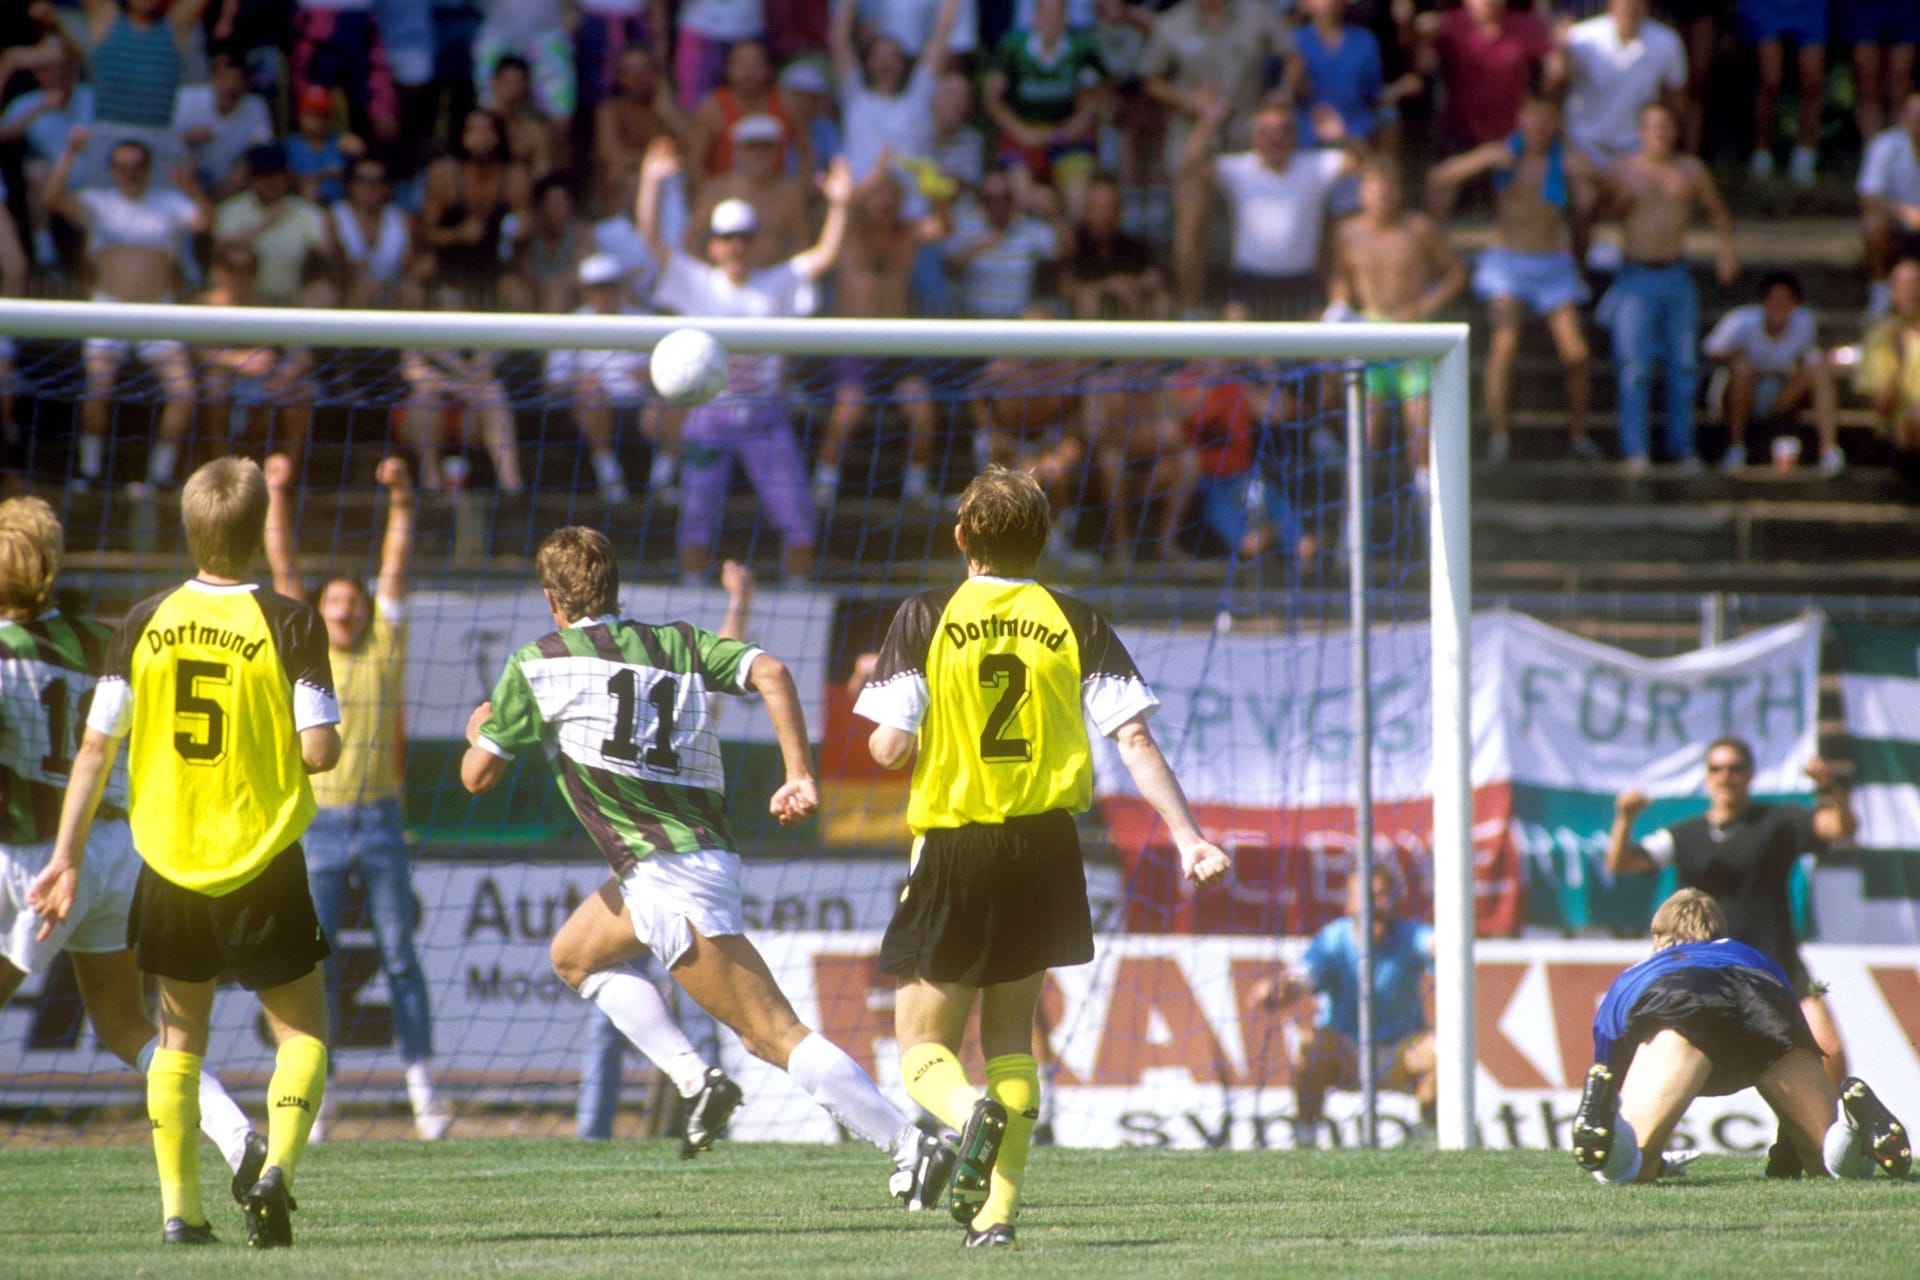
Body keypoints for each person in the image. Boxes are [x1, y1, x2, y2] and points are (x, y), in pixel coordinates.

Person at [459, 527, 955, 1201]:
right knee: (575, 953)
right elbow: (772, 672)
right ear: (614, 587)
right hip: (685, 860)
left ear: (552, 598)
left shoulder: (538, 662)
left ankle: (910, 1144)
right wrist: (798, 773)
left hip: (670, 878)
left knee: (771, 1035)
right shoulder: (676, 643)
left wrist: (477, 728)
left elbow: (476, 776)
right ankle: (698, 1081)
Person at [854, 466, 1231, 1247]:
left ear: (961, 538)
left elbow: (888, 749)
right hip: (1047, 848)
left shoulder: (926, 615)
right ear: (1044, 539)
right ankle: (995, 1221)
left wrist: (894, 703)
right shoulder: (1075, 618)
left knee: (921, 1046)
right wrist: (1190, 837)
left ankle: (967, 1117)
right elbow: (1134, 740)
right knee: (1011, 1042)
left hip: (957, 842)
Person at [31, 457, 342, 1249]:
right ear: (255, 527)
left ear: (190, 528)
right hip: (261, 857)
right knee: (303, 1035)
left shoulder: (141, 622)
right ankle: (276, 1174)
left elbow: (96, 748)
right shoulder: (292, 622)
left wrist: (64, 854)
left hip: (167, 862)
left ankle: (181, 1213)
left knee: (176, 1040)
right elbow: (318, 753)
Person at [0, 497, 266, 1228]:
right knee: (126, 1026)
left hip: (37, 860)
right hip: (119, 853)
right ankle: (234, 1129)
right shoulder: (106, 637)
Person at [262, 454, 450, 1143]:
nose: (343, 608)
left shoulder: (383, 649)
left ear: (365, 610)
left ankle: (423, 1090)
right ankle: (320, 1094)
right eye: (333, 600)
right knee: (319, 964)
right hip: (317, 827)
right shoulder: (302, 649)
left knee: (400, 955)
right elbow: (282, 567)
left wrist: (401, 499)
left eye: (353, 601)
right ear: (319, 609)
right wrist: (278, 493)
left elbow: (395, 567)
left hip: (380, 824)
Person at [576, 559, 749, 1142]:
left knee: (704, 1010)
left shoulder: (666, 707)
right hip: (649, 873)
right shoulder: (626, 706)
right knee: (601, 986)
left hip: (667, 872)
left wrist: (739, 606)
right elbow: (721, 667)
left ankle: (684, 1116)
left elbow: (716, 669)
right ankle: (596, 1135)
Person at [1572, 888, 1911, 1185]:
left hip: (1681, 997)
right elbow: (1790, 1030)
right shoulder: (1755, 957)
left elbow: (1609, 1069)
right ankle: (1852, 1124)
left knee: (1629, 1169)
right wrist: (1788, 1151)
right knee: (1830, 1163)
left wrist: (1624, 1124)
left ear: (1658, 937)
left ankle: (1614, 1131)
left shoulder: (1636, 973)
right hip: (1761, 993)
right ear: (1717, 931)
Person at [637, 137, 851, 583]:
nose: (735, 246)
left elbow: (824, 257)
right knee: (696, 515)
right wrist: (650, 182)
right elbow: (651, 239)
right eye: (727, 238)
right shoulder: (696, 281)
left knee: (798, 517)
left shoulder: (776, 282)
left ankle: (798, 592)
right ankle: (691, 590)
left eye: (743, 238)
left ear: (756, 243)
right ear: (713, 244)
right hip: (708, 417)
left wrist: (840, 205)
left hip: (765, 417)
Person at [1606, 735, 1856, 1097]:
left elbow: (1842, 828)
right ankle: (1640, 1143)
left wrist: (1830, 788)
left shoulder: (1779, 821)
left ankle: (1832, 1142)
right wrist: (1625, 819)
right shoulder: (1685, 835)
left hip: (1776, 966)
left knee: (1828, 1048)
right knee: (1662, 1057)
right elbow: (1622, 862)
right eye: (1717, 768)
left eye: (1735, 768)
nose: (1726, 776)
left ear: (1751, 775)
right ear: (1706, 777)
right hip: (1705, 974)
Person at [1426, 95, 1596, 464]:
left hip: (1553, 264)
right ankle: (1499, 435)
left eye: (1546, 121)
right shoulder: (1503, 154)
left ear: (1555, 124)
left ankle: (1577, 435)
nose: (1538, 129)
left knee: (1577, 354)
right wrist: (1483, 158)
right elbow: (1440, 176)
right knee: (1505, 344)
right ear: (1520, 121)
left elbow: (1601, 177)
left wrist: (1568, 144)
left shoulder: (1565, 162)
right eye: (1532, 120)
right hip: (1507, 263)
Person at [46, 129, 208, 494]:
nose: (129, 172)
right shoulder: (97, 202)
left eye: (136, 166)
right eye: (122, 166)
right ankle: (90, 470)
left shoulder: (168, 203)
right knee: (97, 389)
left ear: (147, 169)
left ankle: (161, 475)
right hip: (109, 310)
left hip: (159, 312)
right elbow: (52, 198)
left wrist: (190, 185)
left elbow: (204, 221)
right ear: (112, 170)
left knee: (184, 391)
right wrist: (69, 153)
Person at [1592, 102, 1738, 474]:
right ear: (1641, 132)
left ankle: (1681, 447)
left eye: (1666, 127)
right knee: (1634, 367)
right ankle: (1635, 450)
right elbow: (1593, 215)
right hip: (1634, 275)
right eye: (1652, 127)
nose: (1660, 134)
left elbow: (1717, 213)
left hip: (1676, 273)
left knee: (1684, 365)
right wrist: (1615, 210)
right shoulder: (1623, 170)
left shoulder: (1690, 170)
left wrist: (1726, 253)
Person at [1247, 863, 1435, 1146]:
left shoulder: (1410, 935)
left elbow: (1435, 944)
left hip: (1401, 1052)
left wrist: (1448, 941)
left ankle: (1430, 1141)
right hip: (1347, 1052)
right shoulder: (1334, 939)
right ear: (1350, 904)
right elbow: (1303, 977)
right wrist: (1279, 990)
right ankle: (1306, 1141)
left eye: (1382, 896)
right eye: (1366, 897)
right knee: (1311, 1047)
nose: (1375, 906)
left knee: (1445, 1053)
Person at [1139, 0, 1298, 308]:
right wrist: (1187, 100)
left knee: (1262, 217)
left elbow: (1293, 58)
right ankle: (1191, 309)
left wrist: (1284, 92)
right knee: (1191, 211)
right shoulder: (1173, 23)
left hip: (1248, 138)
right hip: (1195, 137)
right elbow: (1151, 80)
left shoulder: (1257, 13)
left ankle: (1248, 303)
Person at [814, 167, 951, 508]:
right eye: (877, 192)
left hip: (897, 344)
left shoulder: (907, 233)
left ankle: (917, 485)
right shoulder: (846, 231)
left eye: (891, 192)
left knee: (921, 406)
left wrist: (937, 195)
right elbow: (829, 215)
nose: (884, 199)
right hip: (853, 344)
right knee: (850, 407)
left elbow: (943, 227)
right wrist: (872, 174)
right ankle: (824, 483)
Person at [1329, 159, 1469, 488]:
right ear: (1362, 192)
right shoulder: (1347, 233)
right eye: (1375, 188)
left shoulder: (1419, 228)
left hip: (1412, 333)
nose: (1382, 196)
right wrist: (1338, 311)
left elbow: (1456, 272)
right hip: (1369, 331)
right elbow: (1340, 280)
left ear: (1400, 192)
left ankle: (1426, 512)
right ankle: (1354, 517)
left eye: (1389, 188)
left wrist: (1424, 304)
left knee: (1420, 434)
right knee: (1364, 433)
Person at [1182, 91, 1355, 322]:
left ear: (1295, 134)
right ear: (1253, 137)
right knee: (1235, 344)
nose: (1275, 138)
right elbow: (1191, 165)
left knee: (1318, 350)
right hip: (1250, 285)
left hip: (1301, 284)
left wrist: (1342, 137)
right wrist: (1208, 123)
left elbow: (1364, 164)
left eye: (1283, 130)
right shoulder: (1238, 169)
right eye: (1266, 131)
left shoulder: (1316, 166)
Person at [1703, 271, 1843, 475]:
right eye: (1773, 300)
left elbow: (1805, 357)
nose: (1779, 306)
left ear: (1795, 303)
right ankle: (1735, 449)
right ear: (1764, 302)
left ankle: (1829, 452)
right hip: (1739, 393)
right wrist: (1735, 358)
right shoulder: (1740, 321)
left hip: (1779, 394)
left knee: (1820, 369)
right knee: (1743, 368)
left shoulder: (1804, 323)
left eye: (1785, 300)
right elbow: (1711, 350)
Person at [543, 253, 650, 501]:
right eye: (596, 287)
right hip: (592, 405)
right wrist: (579, 381)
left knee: (673, 402)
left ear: (620, 288)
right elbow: (553, 381)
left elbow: (664, 373)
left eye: (609, 286)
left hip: (640, 405)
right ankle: (609, 477)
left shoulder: (644, 320)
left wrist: (652, 375)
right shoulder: (571, 325)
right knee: (591, 394)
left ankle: (661, 482)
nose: (603, 294)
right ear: (585, 291)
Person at [1736, 0, 1825, 187]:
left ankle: (1804, 157)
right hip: (1766, 7)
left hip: (1809, 8)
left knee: (1813, 82)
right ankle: (1761, 153)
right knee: (1770, 81)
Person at [1856, 256, 1920, 478]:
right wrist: (1899, 363)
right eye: (1903, 287)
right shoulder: (1882, 338)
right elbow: (1882, 410)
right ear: (1893, 294)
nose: (1911, 294)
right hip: (1900, 436)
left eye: (1915, 286)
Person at [1858, 93, 1920, 319]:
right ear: (1904, 118)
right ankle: (1880, 292)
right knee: (1873, 224)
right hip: (1896, 225)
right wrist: (1906, 214)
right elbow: (1869, 197)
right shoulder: (1884, 145)